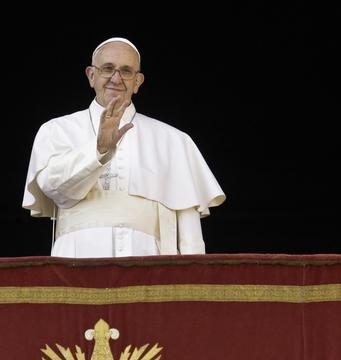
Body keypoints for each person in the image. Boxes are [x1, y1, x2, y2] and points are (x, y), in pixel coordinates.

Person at [22, 37, 225, 258]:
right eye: (107, 68)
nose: (116, 78)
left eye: (126, 71)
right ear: (91, 75)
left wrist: (192, 281)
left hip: (150, 268)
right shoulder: (56, 130)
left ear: (138, 82)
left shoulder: (174, 140)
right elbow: (55, 190)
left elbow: (190, 235)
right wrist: (98, 151)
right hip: (75, 263)